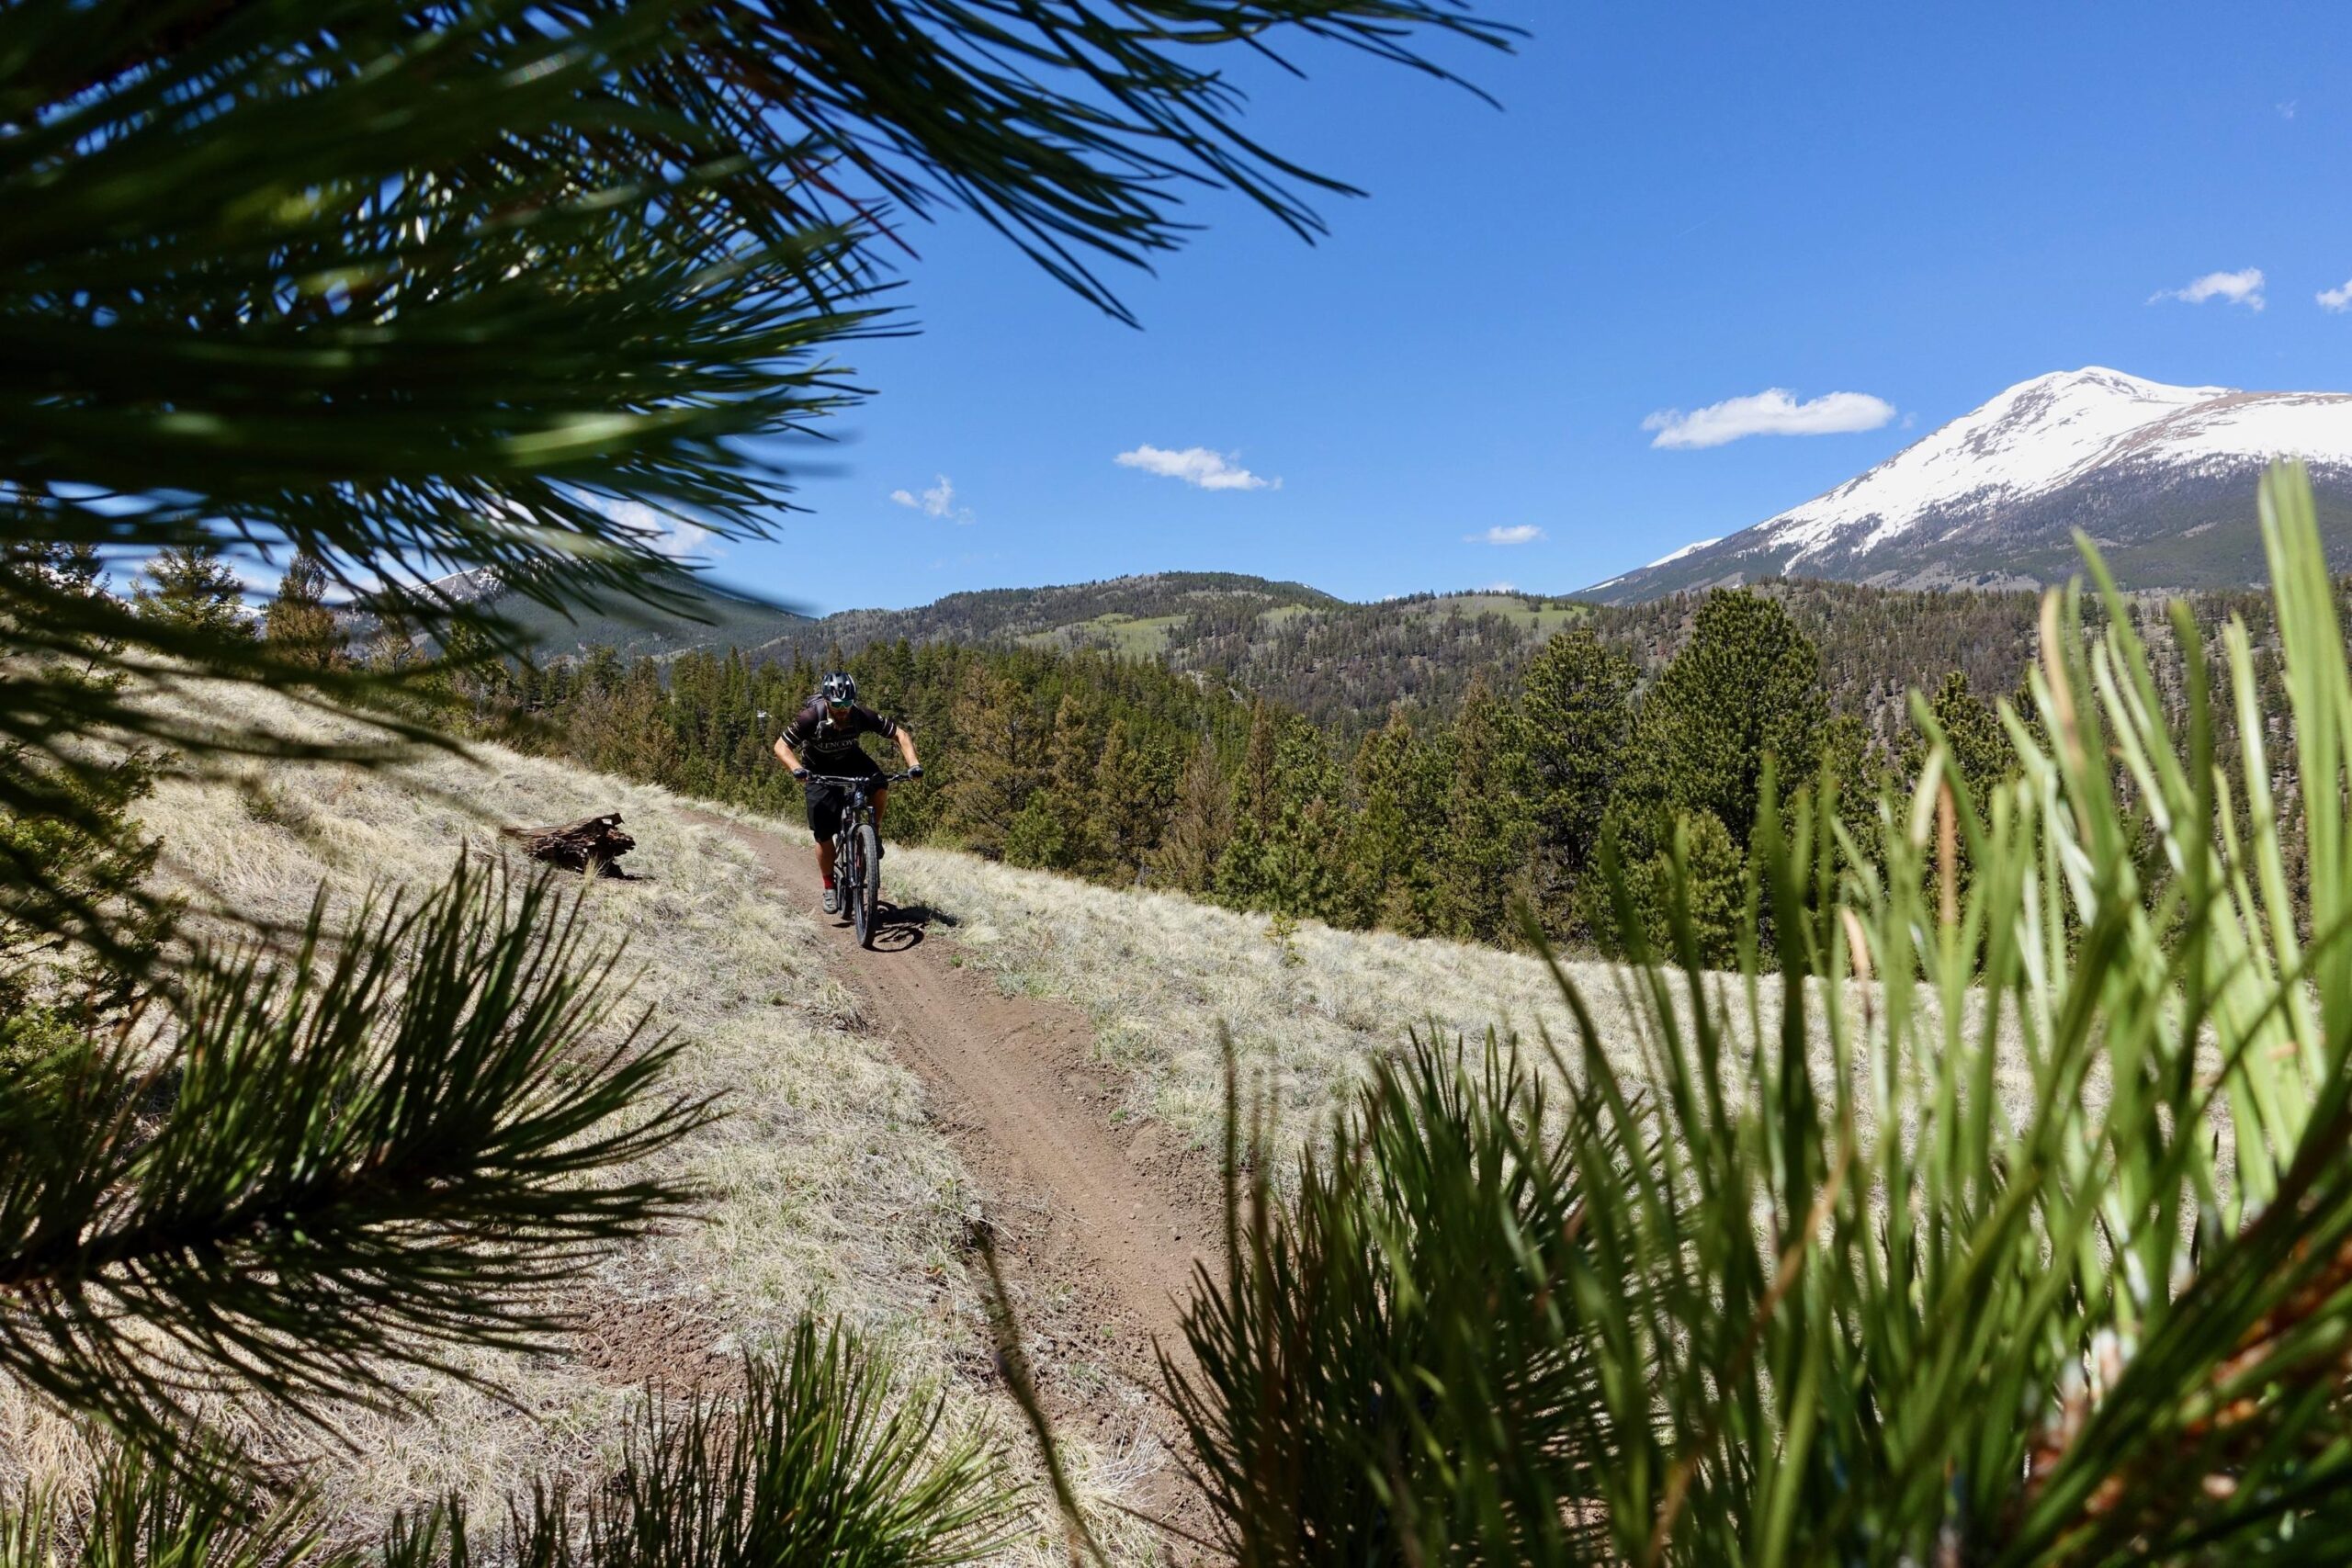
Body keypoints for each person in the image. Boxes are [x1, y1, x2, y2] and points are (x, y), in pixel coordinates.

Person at [774, 671, 922, 915]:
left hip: (851, 759)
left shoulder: (860, 715)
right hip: (817, 769)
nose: (843, 709)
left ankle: (873, 831)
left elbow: (900, 734)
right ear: (826, 701)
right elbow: (781, 746)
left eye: (847, 703)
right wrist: (797, 769)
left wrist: (914, 765)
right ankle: (829, 886)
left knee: (881, 784)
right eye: (837, 704)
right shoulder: (812, 717)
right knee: (823, 833)